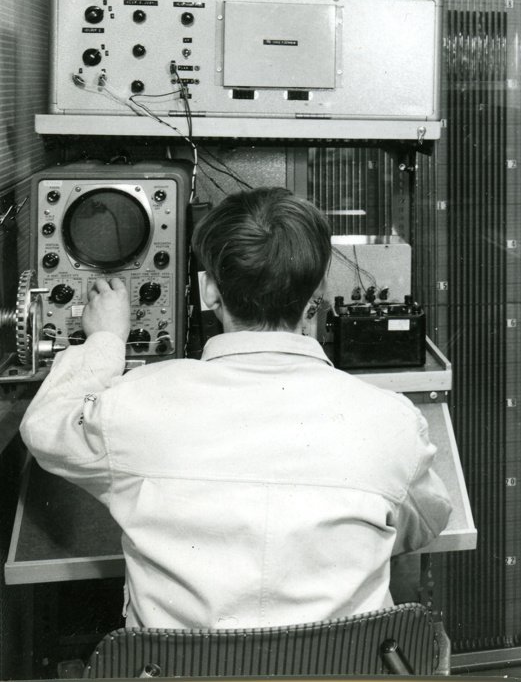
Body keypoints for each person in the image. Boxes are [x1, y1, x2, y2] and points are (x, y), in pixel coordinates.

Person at [22, 187, 452, 630]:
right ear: (320, 292)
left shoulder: (133, 404)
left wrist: (104, 340)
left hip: (176, 667)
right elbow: (427, 519)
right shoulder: (391, 419)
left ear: (209, 290)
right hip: (344, 665)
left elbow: (46, 425)